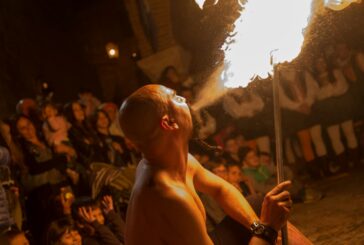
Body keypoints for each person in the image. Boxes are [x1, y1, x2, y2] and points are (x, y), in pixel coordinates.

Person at [119, 84, 310, 245]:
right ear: (168, 123)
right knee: (269, 219)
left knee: (259, 204)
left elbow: (221, 190)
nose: (185, 100)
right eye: (176, 98)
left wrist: (258, 226)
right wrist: (268, 229)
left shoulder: (173, 160)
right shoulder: (168, 195)